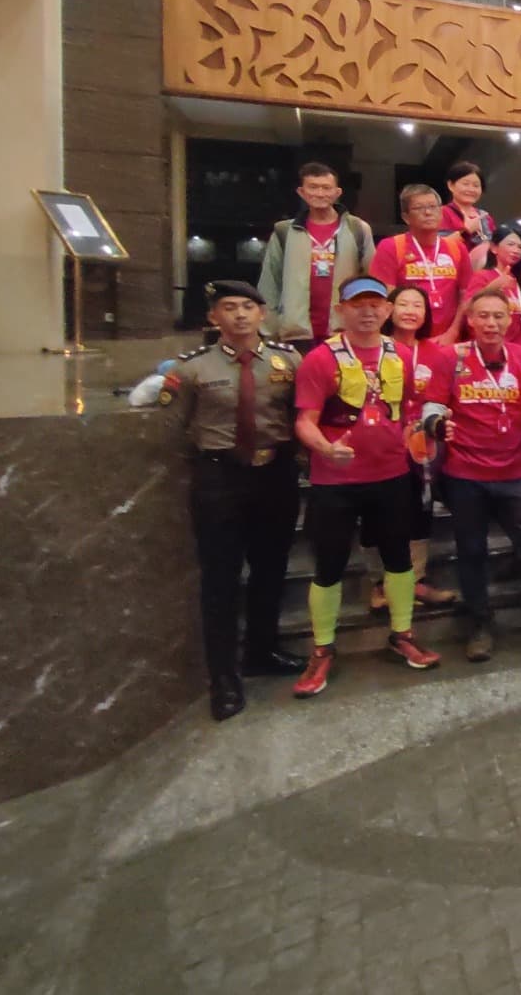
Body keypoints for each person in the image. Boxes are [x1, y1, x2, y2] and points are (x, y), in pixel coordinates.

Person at [289, 278, 442, 698]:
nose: (368, 311)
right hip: (334, 482)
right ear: (341, 310)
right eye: (358, 304)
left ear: (387, 311)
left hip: (390, 477)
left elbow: (407, 410)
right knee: (329, 566)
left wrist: (418, 437)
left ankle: (402, 634)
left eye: (376, 303)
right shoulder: (321, 359)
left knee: (399, 560)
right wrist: (326, 448)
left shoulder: (400, 356)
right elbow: (304, 421)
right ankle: (322, 648)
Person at [160, 279, 303, 721]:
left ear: (262, 314)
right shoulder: (191, 369)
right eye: (229, 307)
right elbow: (172, 428)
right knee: (220, 579)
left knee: (270, 568)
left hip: (275, 474)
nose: (240, 315)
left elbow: (300, 413)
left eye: (247, 306)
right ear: (213, 317)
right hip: (220, 477)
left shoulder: (288, 360)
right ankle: (223, 677)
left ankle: (262, 650)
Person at [419, 287, 521, 661]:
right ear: (470, 321)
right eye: (484, 316)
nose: (491, 323)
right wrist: (437, 423)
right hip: (464, 474)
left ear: (510, 321)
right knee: (471, 551)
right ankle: (479, 625)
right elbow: (432, 406)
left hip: (514, 472)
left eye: (498, 316)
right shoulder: (450, 359)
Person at [374, 284, 458, 612]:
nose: (410, 311)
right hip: (380, 443)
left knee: (420, 509)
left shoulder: (436, 352)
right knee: (382, 511)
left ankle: (417, 579)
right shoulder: (375, 347)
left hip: (423, 444)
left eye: (418, 306)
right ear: (389, 310)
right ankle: (379, 583)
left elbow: (440, 397)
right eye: (403, 304)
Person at [257, 161, 376, 347]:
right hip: (295, 331)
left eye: (326, 188)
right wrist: (269, 329)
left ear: (337, 192)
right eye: (313, 187)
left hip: (344, 329)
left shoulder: (358, 229)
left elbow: (371, 280)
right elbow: (270, 283)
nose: (320, 193)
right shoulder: (284, 231)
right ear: (301, 192)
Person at [369, 183, 469, 343]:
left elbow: (466, 296)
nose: (428, 212)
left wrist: (453, 332)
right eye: (419, 208)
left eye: (433, 207)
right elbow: (384, 298)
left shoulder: (457, 248)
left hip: (448, 340)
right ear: (406, 217)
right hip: (405, 340)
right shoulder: (391, 246)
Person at [463, 229, 521, 342]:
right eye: (511, 244)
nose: (516, 250)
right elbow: (467, 308)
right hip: (489, 343)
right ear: (494, 248)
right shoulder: (482, 276)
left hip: (519, 345)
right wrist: (494, 286)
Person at [439, 159, 497, 269]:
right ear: (450, 185)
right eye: (465, 184)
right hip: (451, 271)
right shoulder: (441, 213)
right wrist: (466, 231)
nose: (471, 189)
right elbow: (437, 247)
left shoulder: (486, 217)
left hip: (482, 275)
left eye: (476, 185)